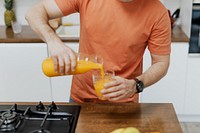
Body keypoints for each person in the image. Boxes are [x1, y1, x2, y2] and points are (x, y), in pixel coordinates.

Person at [26, 0, 171, 103]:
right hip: (81, 99)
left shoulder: (158, 13)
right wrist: (53, 41)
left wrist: (136, 84)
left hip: (124, 103)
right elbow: (33, 12)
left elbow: (161, 63)